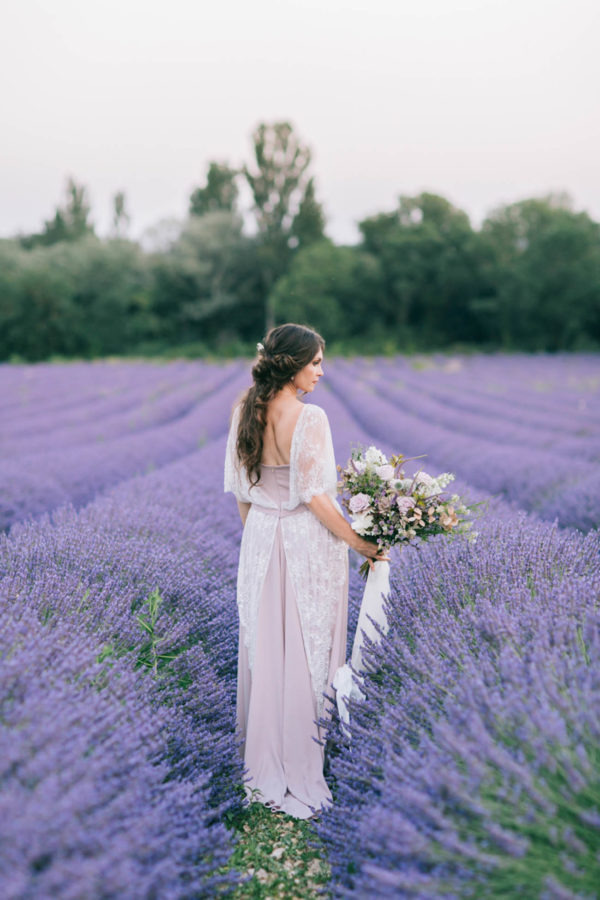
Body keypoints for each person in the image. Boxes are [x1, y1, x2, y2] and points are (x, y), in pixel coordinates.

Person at [224, 323, 387, 819]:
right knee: (306, 647)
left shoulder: (243, 409)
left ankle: (263, 760)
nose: (321, 371)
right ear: (292, 364)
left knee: (267, 648)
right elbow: (316, 497)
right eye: (315, 362)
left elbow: (242, 492)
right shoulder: (310, 417)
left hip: (260, 538)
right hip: (304, 542)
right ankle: (301, 760)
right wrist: (360, 543)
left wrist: (261, 541)